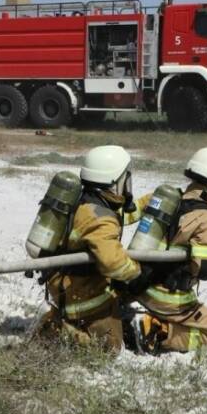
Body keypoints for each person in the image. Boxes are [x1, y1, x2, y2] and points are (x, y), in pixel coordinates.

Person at [34, 145, 149, 351]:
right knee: (107, 348)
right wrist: (138, 272)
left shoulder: (87, 200)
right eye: (125, 179)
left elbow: (122, 216)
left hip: (61, 280)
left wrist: (149, 202)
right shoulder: (100, 219)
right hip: (79, 292)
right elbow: (113, 263)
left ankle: (62, 319)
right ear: (115, 181)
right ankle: (56, 329)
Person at [132, 147, 207, 354]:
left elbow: (179, 233)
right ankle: (158, 331)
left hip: (141, 286)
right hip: (170, 300)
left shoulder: (168, 200)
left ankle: (142, 319)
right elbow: (206, 270)